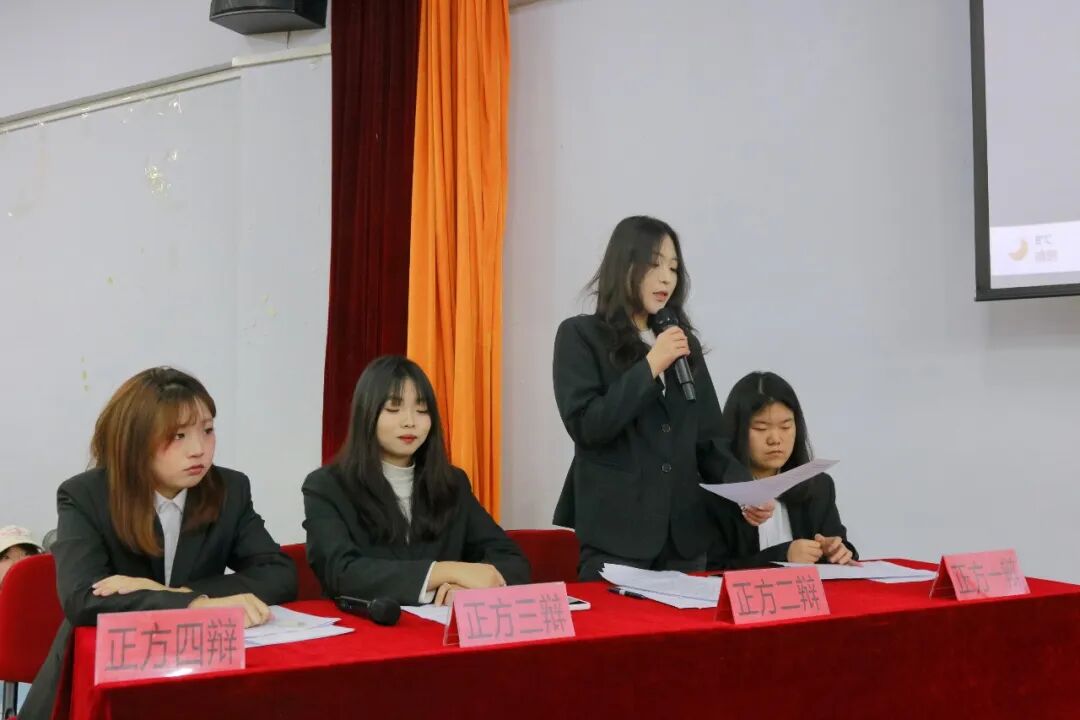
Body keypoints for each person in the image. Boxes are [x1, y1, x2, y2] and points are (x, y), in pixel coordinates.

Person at [20, 367, 297, 720]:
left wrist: (179, 596)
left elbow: (278, 574)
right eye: (178, 436)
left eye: (207, 430)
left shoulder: (229, 488)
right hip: (100, 680)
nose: (198, 450)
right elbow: (82, 599)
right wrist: (193, 605)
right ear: (134, 441)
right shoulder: (86, 495)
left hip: (196, 675)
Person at [552, 215, 756, 580]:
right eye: (655, 264)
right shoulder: (581, 335)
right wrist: (651, 365)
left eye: (674, 268)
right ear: (624, 265)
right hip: (617, 537)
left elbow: (709, 440)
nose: (666, 278)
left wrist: (745, 491)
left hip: (685, 541)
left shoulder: (682, 342)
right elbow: (588, 425)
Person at [303, 355, 529, 607]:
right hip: (367, 626)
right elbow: (341, 572)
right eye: (393, 409)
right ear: (366, 413)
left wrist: (464, 587)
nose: (410, 421)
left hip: (439, 626)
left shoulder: (453, 483)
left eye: (422, 410)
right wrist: (446, 572)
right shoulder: (327, 486)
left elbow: (511, 560)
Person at [707, 371, 857, 570]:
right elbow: (710, 570)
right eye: (761, 428)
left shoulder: (818, 486)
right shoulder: (716, 493)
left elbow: (838, 545)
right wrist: (783, 555)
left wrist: (837, 551)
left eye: (785, 427)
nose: (775, 439)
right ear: (737, 430)